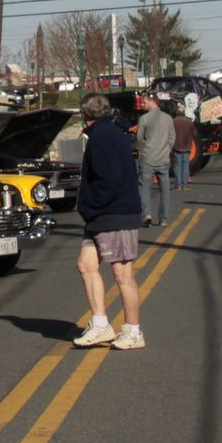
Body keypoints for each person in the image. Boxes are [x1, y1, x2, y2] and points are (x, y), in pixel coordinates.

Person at [70, 95, 146, 350]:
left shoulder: (103, 137)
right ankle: (101, 324)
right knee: (86, 264)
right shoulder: (108, 133)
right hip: (101, 215)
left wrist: (87, 204)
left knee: (122, 273)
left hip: (115, 213)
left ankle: (133, 331)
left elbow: (109, 180)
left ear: (84, 113)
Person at [135, 93, 175, 227]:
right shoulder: (168, 118)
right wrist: (167, 150)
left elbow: (139, 139)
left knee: (144, 187)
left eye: (144, 102)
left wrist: (141, 150)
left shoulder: (144, 119)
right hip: (163, 158)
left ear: (152, 102)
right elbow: (172, 138)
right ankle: (164, 218)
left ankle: (146, 214)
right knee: (165, 189)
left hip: (148, 157)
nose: (143, 104)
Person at [170, 106, 196, 190]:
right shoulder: (189, 122)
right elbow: (195, 134)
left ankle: (178, 184)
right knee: (185, 165)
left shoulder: (173, 121)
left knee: (177, 166)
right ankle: (185, 184)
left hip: (176, 146)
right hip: (187, 146)